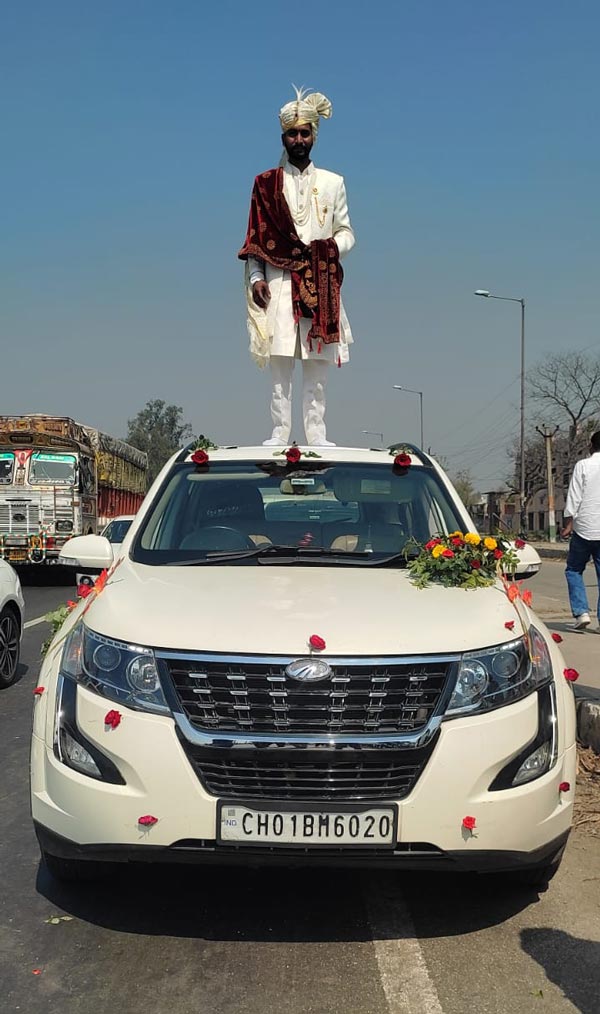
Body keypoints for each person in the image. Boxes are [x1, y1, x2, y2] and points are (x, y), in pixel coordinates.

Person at [238, 86, 355, 447]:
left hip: (319, 284)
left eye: (305, 132)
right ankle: (279, 433)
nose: (299, 139)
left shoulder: (334, 183)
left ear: (314, 137)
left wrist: (328, 249)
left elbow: (347, 232)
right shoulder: (266, 185)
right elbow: (255, 239)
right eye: (293, 133)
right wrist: (257, 277)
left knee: (317, 369)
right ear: (283, 137)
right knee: (279, 367)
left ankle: (317, 436)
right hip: (278, 282)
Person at [561, 431, 600, 629]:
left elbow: (574, 497)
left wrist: (568, 524)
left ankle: (582, 613)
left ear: (591, 446)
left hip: (584, 527)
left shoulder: (583, 465)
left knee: (574, 569)